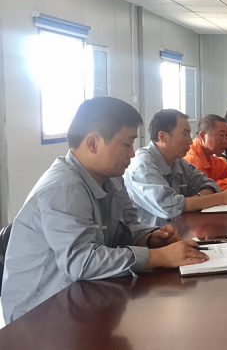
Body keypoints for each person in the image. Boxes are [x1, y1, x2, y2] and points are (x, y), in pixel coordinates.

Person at [1, 97, 208, 323]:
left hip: (84, 294)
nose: (132, 154)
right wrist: (159, 256)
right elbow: (82, 261)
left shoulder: (112, 178)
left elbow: (127, 226)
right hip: (40, 316)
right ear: (93, 143)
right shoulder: (65, 188)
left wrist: (151, 238)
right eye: (126, 144)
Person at [124, 109, 227, 226]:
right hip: (152, 236)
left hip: (178, 229)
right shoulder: (142, 165)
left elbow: (210, 184)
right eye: (185, 134)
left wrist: (194, 200)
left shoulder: (179, 162)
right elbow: (170, 207)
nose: (190, 141)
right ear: (163, 136)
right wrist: (221, 198)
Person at [184, 114, 227, 190]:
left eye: (226, 135)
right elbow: (204, 191)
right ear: (203, 136)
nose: (225, 141)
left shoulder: (210, 157)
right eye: (221, 135)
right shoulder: (191, 160)